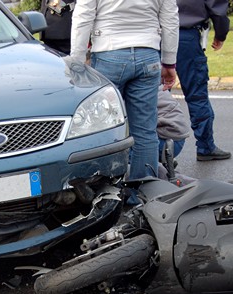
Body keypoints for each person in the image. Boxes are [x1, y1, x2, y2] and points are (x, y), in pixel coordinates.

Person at [70, 0, 179, 181]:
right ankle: (145, 191)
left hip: (108, 51)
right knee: (145, 131)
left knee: (101, 128)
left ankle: (104, 191)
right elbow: (170, 18)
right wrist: (169, 61)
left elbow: (83, 15)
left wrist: (77, 60)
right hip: (148, 52)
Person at [175, 0, 232, 161]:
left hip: (154, 37)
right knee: (196, 95)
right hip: (186, 37)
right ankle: (205, 146)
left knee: (152, 96)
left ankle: (152, 151)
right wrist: (221, 34)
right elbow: (218, 10)